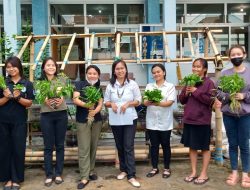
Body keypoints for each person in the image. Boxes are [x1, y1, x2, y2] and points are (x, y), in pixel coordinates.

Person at [215, 45, 250, 188]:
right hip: (229, 114)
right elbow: (218, 92)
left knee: (245, 145)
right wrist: (229, 97)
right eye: (233, 55)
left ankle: (246, 173)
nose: (236, 57)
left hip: (245, 114)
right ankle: (234, 171)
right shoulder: (225, 73)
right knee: (232, 144)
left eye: (238, 54)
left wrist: (244, 96)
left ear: (244, 55)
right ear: (229, 57)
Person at [104, 59, 141, 188]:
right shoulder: (110, 86)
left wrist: (128, 103)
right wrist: (111, 104)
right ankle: (123, 170)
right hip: (116, 119)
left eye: (122, 68)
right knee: (119, 145)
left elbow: (138, 100)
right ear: (114, 71)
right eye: (117, 69)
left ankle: (131, 175)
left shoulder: (133, 84)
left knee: (128, 146)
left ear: (126, 69)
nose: (120, 71)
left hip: (130, 119)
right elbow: (106, 101)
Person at [0, 56, 34, 190]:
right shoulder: (3, 83)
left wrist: (17, 97)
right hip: (3, 121)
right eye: (8, 67)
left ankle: (16, 178)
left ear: (19, 67)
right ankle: (7, 179)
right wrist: (7, 96)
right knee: (4, 149)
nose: (11, 69)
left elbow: (29, 103)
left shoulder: (27, 83)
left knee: (18, 149)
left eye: (13, 66)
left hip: (19, 121)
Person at [179, 58, 214, 185]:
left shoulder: (209, 83)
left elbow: (210, 101)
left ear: (204, 69)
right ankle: (193, 172)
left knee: (205, 148)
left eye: (198, 67)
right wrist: (187, 92)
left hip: (202, 120)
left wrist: (195, 91)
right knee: (192, 147)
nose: (195, 69)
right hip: (189, 119)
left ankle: (204, 173)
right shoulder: (189, 81)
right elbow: (182, 100)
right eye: (194, 66)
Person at [73, 65, 103, 189]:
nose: (92, 75)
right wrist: (87, 105)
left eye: (94, 73)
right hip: (82, 120)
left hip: (96, 120)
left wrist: (95, 111)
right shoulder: (79, 84)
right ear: (86, 74)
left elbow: (100, 102)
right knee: (84, 148)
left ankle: (90, 170)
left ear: (98, 75)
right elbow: (75, 99)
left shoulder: (98, 87)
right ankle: (84, 177)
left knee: (93, 146)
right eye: (89, 73)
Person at [39, 57, 68, 187]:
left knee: (60, 145)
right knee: (48, 146)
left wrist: (61, 97)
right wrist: (45, 99)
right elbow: (37, 95)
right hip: (46, 115)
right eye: (48, 65)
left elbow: (67, 91)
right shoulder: (39, 82)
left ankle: (58, 173)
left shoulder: (62, 78)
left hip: (61, 114)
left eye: (53, 65)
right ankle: (49, 174)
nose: (51, 67)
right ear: (43, 67)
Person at [144, 64, 175, 179]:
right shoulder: (149, 86)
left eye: (158, 71)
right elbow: (145, 101)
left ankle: (166, 168)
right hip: (151, 121)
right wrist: (147, 102)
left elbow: (170, 102)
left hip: (165, 121)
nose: (156, 74)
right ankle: (154, 168)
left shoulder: (170, 86)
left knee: (166, 145)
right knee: (154, 146)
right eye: (154, 72)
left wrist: (157, 103)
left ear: (164, 72)